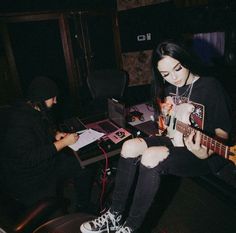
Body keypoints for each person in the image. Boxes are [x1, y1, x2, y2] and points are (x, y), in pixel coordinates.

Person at [80, 40, 233, 233]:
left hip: (204, 155)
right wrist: (165, 117)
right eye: (165, 74)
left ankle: (131, 228)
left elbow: (223, 134)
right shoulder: (170, 88)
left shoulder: (210, 86)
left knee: (151, 156)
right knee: (129, 146)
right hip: (177, 141)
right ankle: (115, 215)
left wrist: (207, 151)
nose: (174, 78)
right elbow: (169, 126)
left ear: (185, 60)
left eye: (177, 69)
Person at [0, 76, 94, 210]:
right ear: (41, 99)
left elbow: (37, 132)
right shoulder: (19, 122)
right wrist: (63, 143)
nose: (55, 101)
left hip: (43, 164)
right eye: (52, 98)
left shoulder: (35, 109)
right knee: (54, 208)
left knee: (83, 166)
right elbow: (28, 158)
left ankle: (82, 205)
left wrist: (55, 134)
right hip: (29, 178)